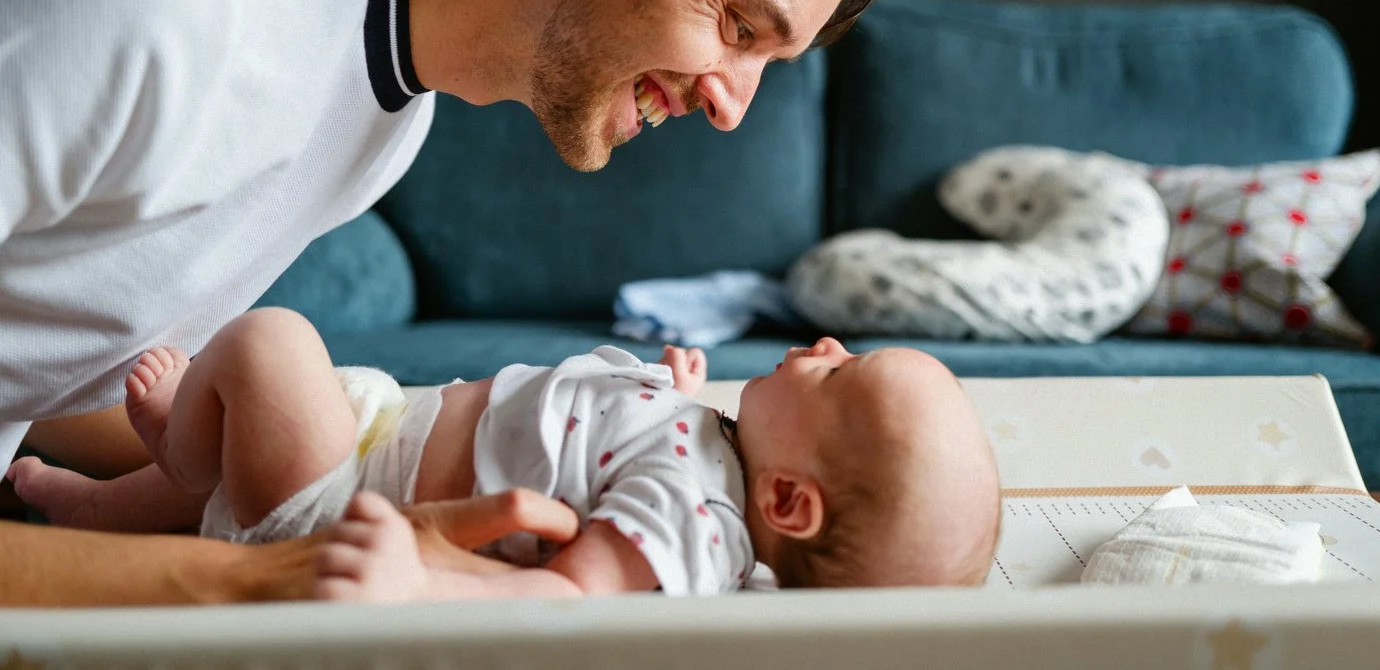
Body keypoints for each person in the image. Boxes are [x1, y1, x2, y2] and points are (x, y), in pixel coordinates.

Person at [0, 0, 923, 604]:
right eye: (735, 24)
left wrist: (395, 489)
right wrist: (277, 576)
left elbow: (50, 368)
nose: (732, 106)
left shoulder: (384, 122)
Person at [11, 310, 1002, 599]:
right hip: (374, 441)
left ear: (786, 504)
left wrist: (418, 587)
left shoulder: (692, 520)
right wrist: (675, 394)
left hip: (338, 505)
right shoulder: (715, 455)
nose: (826, 346)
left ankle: (181, 455)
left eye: (843, 375)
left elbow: (565, 599)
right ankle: (77, 502)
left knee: (272, 346)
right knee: (290, 405)